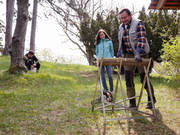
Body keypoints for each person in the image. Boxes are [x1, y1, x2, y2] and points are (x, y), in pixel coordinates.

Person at [117, 8, 156, 109]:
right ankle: (132, 102)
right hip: (128, 55)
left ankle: (151, 99)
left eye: (125, 17)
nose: (123, 20)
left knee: (144, 78)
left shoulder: (138, 23)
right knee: (128, 78)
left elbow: (142, 39)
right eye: (121, 18)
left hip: (141, 54)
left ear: (130, 15)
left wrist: (138, 52)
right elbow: (121, 42)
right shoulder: (121, 27)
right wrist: (119, 53)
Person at [94, 29, 114, 101]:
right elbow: (97, 52)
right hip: (100, 61)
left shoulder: (109, 41)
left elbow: (112, 51)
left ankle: (112, 89)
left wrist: (111, 58)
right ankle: (105, 90)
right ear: (99, 36)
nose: (102, 35)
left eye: (103, 34)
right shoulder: (98, 43)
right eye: (100, 35)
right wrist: (98, 59)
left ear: (105, 34)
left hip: (108, 60)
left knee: (110, 75)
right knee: (102, 76)